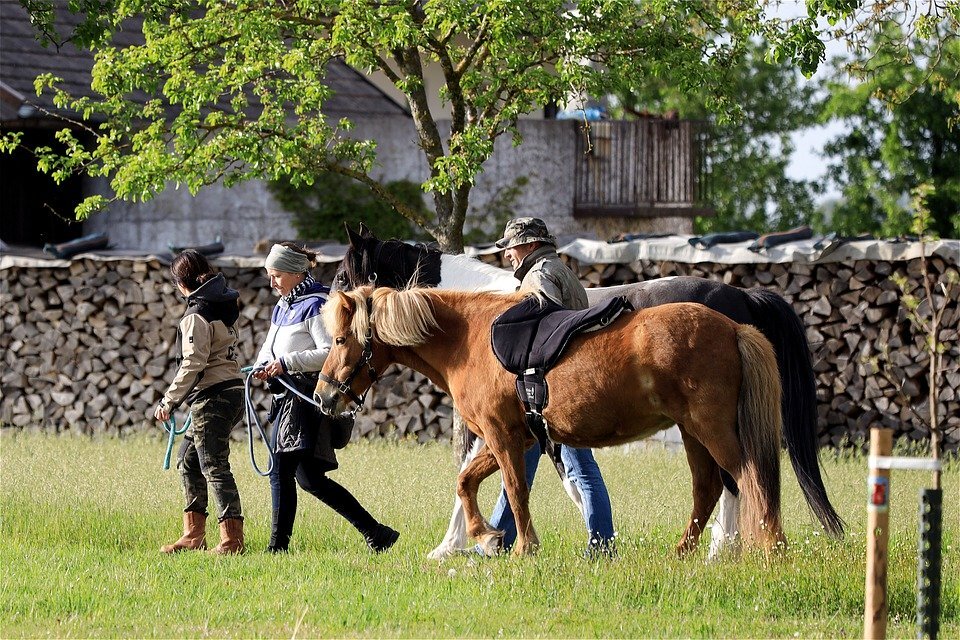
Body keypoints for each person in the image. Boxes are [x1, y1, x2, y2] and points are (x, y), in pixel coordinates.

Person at [253, 242, 399, 554]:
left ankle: (277, 548)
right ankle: (377, 532)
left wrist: (287, 363)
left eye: (277, 275)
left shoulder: (318, 304)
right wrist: (262, 364)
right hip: (286, 396)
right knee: (309, 479)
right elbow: (271, 346)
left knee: (280, 468)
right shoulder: (283, 305)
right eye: (270, 276)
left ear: (295, 272)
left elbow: (330, 354)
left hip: (305, 397)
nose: (272, 282)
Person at [487, 217, 616, 556]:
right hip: (544, 391)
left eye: (512, 246)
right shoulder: (554, 268)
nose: (508, 255)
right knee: (516, 472)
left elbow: (545, 321)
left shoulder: (540, 274)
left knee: (582, 470)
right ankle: (498, 542)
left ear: (528, 244)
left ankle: (602, 546)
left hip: (553, 392)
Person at [155, 250, 245, 555]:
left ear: (182, 284)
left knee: (213, 464)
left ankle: (232, 541)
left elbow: (193, 362)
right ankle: (194, 535)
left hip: (213, 396)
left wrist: (169, 401)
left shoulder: (195, 314)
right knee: (189, 461)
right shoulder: (223, 304)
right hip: (232, 390)